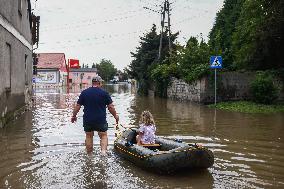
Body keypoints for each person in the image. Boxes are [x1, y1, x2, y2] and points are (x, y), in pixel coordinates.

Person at [71, 75, 119, 154]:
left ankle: (89, 156)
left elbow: (78, 106)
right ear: (100, 83)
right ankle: (103, 153)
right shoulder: (104, 93)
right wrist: (115, 116)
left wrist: (74, 116)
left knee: (89, 136)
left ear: (92, 83)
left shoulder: (84, 93)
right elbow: (110, 107)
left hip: (88, 120)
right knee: (103, 135)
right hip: (100, 120)